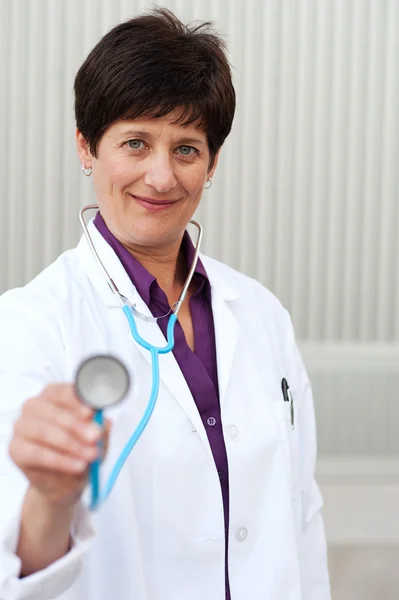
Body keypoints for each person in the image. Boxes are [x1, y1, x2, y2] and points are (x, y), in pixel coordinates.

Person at [0, 8, 330, 600]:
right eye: (135, 142)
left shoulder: (259, 314)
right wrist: (50, 498)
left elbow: (301, 516)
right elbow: (16, 565)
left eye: (186, 149)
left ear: (213, 163)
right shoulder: (29, 326)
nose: (160, 177)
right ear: (86, 146)